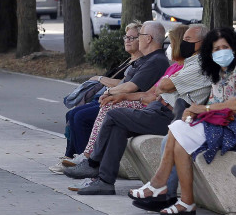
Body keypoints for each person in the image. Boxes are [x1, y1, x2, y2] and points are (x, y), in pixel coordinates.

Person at [132, 33, 236, 215]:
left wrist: (203, 109)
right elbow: (231, 105)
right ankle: (184, 201)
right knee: (180, 138)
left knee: (179, 128)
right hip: (232, 131)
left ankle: (160, 183)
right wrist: (200, 110)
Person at [70, 24, 212, 195]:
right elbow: (155, 91)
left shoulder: (200, 65)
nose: (183, 43)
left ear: (202, 43)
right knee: (118, 125)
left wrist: (163, 86)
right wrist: (124, 96)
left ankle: (93, 163)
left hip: (169, 117)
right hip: (157, 109)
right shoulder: (187, 64)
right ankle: (105, 181)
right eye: (183, 39)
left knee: (114, 114)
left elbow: (164, 85)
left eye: (188, 40)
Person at [129, 26, 236, 210]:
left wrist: (201, 109)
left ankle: (163, 189)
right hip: (215, 122)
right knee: (175, 132)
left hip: (231, 128)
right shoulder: (217, 72)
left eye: (224, 48)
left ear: (233, 48)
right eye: (215, 49)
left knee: (177, 134)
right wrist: (195, 111)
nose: (220, 52)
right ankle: (168, 193)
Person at [64, 23, 185, 174]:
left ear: (148, 39)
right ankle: (98, 172)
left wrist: (112, 92)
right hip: (152, 107)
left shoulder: (158, 61)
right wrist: (120, 95)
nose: (133, 40)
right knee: (82, 113)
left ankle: (90, 160)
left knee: (104, 112)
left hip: (162, 114)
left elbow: (143, 89)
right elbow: (150, 93)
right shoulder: (163, 64)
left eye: (138, 36)